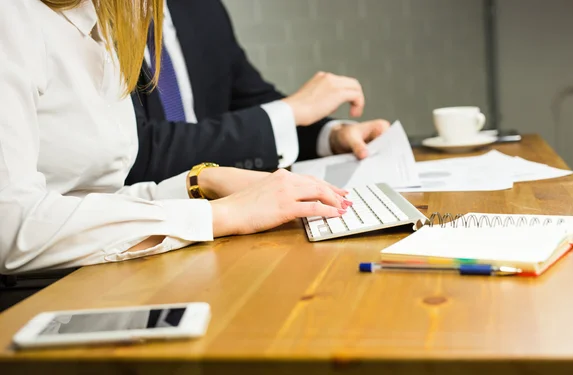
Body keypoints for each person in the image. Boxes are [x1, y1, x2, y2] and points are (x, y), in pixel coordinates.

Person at [0, 0, 352, 275]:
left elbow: (95, 196)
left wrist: (199, 182)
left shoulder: (96, 25)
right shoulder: (14, 19)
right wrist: (218, 216)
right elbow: (13, 227)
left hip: (92, 273)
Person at [126, 0, 391, 185]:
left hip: (225, 209)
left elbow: (250, 101)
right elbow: (139, 151)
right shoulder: (92, 30)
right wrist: (291, 110)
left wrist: (331, 135)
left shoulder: (201, 8)